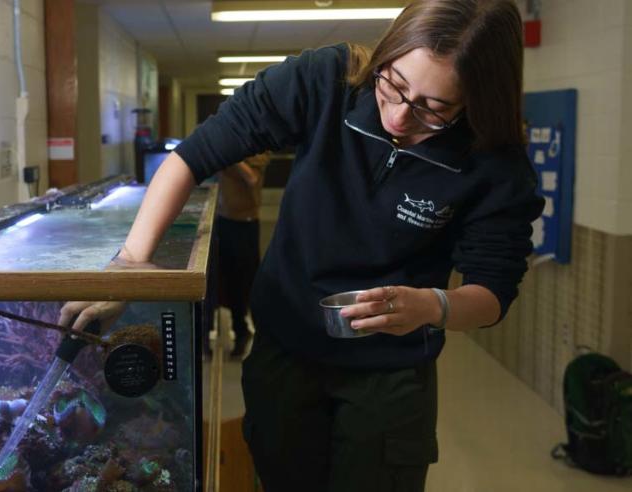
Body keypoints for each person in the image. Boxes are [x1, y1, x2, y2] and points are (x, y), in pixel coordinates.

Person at [62, 0, 545, 490]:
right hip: (286, 347)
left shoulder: (494, 163)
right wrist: (127, 270)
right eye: (394, 83)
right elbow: (192, 157)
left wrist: (433, 305)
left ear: (475, 103)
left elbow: (492, 294)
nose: (400, 116)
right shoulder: (327, 81)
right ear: (384, 55)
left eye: (433, 109)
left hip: (391, 371)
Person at [216, 152, 269, 357]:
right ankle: (240, 330)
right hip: (224, 219)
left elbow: (252, 178)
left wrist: (232, 156)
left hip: (245, 222)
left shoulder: (258, 150)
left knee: (248, 281)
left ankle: (261, 336)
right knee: (227, 281)